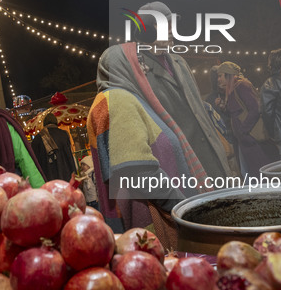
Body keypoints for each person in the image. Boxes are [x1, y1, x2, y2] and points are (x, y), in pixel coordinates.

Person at [87, 43, 229, 250]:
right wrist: (184, 210)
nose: (146, 69)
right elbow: (137, 171)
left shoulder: (127, 99)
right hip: (155, 225)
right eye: (140, 63)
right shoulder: (117, 99)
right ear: (124, 66)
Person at [132, 1, 238, 178]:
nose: (172, 29)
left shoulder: (180, 62)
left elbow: (199, 110)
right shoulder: (137, 72)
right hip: (185, 166)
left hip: (213, 156)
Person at [217, 62, 280, 176]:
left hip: (253, 140)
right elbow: (237, 112)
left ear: (228, 74)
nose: (218, 79)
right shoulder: (231, 89)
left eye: (220, 75)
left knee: (264, 173)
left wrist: (243, 131)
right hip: (244, 143)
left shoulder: (242, 86)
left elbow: (255, 108)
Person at [31, 113, 78, 182]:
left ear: (44, 123)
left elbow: (35, 160)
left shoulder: (38, 138)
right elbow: (69, 156)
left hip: (49, 177)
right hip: (66, 174)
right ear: (56, 122)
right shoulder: (64, 134)